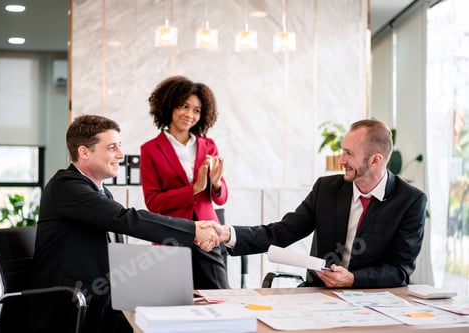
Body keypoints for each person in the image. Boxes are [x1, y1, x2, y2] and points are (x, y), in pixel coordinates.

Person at [28, 114, 220, 333]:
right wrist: (193, 229)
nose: (120, 155)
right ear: (84, 152)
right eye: (112, 148)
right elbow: (126, 219)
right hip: (68, 304)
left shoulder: (98, 191)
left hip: (95, 295)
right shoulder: (67, 186)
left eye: (119, 146)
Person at [218, 119, 427, 289]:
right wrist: (228, 234)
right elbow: (281, 232)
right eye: (342, 151)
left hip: (373, 299)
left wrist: (353, 279)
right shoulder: (326, 189)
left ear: (375, 160)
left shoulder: (410, 200)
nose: (341, 160)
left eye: (349, 153)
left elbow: (399, 270)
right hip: (319, 293)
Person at [140, 75, 230, 289]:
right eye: (184, 106)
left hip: (208, 235)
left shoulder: (209, 145)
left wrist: (216, 184)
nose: (190, 114)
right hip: (170, 234)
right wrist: (195, 188)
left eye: (196, 110)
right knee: (172, 300)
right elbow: (153, 202)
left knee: (219, 297)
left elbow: (221, 197)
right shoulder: (150, 149)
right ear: (169, 106)